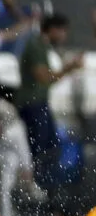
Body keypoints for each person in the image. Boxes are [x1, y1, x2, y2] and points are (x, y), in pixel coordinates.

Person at [15, 15, 82, 192]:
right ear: (52, 29)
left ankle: (49, 188)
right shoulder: (36, 46)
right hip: (32, 105)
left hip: (40, 104)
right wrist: (68, 68)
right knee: (41, 149)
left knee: (51, 147)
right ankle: (40, 188)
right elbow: (44, 77)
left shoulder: (42, 46)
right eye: (62, 31)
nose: (64, 36)